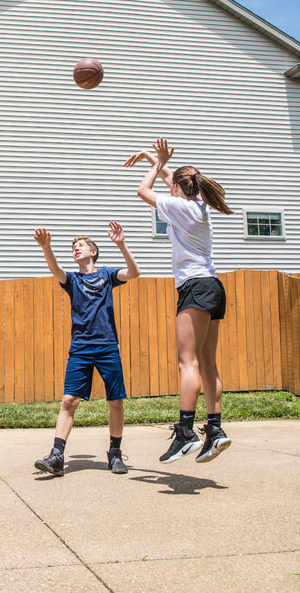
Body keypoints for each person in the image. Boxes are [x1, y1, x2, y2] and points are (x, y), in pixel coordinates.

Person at [124, 138, 233, 464]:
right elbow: (176, 181)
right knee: (208, 362)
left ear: (176, 190)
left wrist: (154, 164)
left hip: (194, 287)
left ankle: (186, 432)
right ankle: (215, 430)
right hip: (213, 286)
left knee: (188, 362)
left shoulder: (179, 206)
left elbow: (142, 192)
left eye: (171, 184)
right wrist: (151, 158)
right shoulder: (195, 205)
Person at [33, 221, 140, 476]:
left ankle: (115, 454)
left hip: (107, 347)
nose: (75, 249)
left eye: (80, 245)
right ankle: (57, 455)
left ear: (93, 251)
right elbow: (55, 269)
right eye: (73, 248)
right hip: (80, 347)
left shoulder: (107, 275)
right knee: (69, 400)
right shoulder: (72, 280)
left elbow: (134, 272)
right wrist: (47, 248)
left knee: (115, 401)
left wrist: (121, 244)